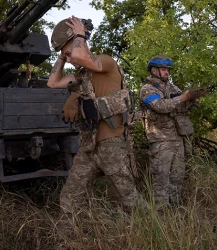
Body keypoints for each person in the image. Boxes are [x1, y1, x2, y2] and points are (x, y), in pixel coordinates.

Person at [48, 16, 145, 214]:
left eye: (68, 53)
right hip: (89, 146)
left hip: (112, 145)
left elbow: (80, 56)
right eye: (65, 56)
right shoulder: (81, 75)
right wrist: (61, 54)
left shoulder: (105, 62)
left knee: (129, 199)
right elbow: (53, 82)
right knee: (70, 197)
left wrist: (79, 35)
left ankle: (154, 233)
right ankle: (67, 240)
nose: (68, 59)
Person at [139, 55, 206, 207]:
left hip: (178, 137)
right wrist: (183, 98)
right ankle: (161, 213)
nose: (166, 72)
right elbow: (160, 106)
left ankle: (175, 210)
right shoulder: (147, 89)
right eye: (163, 69)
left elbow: (181, 106)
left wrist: (192, 99)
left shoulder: (172, 87)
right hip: (161, 139)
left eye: (168, 70)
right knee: (161, 177)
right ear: (154, 70)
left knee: (178, 176)